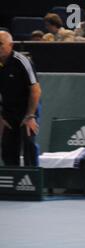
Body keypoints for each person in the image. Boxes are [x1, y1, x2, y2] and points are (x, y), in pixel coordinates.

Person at [0, 31, 41, 166]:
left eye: (1, 44)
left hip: (28, 108)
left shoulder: (22, 61)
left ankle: (33, 181)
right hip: (8, 111)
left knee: (29, 143)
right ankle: (13, 183)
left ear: (11, 45)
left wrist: (30, 116)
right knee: (7, 148)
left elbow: (35, 90)